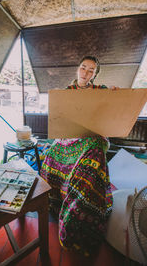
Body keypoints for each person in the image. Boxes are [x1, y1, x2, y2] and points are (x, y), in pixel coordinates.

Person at [40, 56, 115, 256]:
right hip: (69, 137)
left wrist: (117, 97)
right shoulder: (67, 92)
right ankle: (58, 199)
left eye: (91, 70)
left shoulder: (102, 91)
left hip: (93, 136)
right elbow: (59, 120)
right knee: (51, 153)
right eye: (83, 67)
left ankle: (82, 205)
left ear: (95, 74)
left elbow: (113, 113)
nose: (86, 72)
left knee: (96, 148)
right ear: (77, 69)